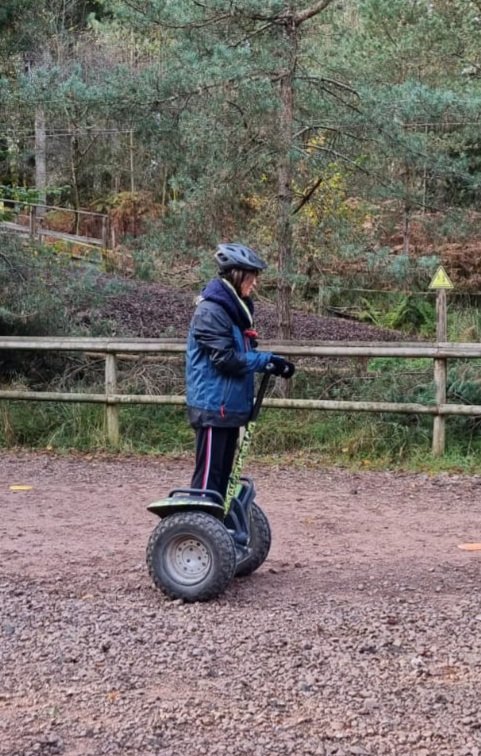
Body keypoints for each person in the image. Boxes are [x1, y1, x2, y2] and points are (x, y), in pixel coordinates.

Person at [186, 242, 295, 500]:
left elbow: (242, 353)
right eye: (252, 276)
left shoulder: (235, 312)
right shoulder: (212, 310)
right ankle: (196, 534)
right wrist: (266, 361)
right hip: (213, 407)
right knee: (207, 485)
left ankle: (218, 534)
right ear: (236, 274)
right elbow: (225, 359)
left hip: (229, 407)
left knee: (223, 482)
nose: (255, 283)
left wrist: (271, 361)